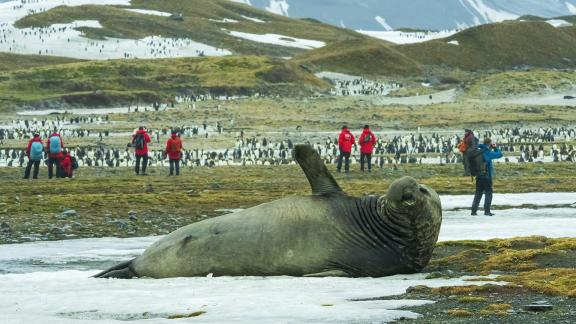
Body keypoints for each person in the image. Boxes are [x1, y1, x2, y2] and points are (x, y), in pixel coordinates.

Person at [471, 137, 503, 216]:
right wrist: (495, 148)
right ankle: (487, 211)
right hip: (486, 176)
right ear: (489, 144)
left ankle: (473, 211)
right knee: (488, 193)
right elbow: (500, 154)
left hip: (478, 176)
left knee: (478, 193)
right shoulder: (487, 152)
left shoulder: (478, 151)